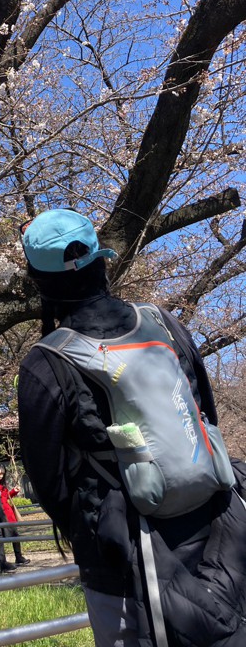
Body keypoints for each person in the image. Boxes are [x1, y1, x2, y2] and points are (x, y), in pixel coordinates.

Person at [17, 208, 246, 647]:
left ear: (40, 284)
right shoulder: (164, 323)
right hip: (218, 521)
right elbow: (205, 416)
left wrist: (94, 526)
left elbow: (49, 483)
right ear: (103, 263)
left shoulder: (46, 362)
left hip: (124, 554)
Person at [0, 463, 30, 565]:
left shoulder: (2, 485)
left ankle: (18, 557)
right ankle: (3, 561)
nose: (1, 476)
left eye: (3, 474)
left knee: (15, 536)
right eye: (0, 473)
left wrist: (14, 491)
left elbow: (6, 497)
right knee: (2, 539)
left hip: (9, 515)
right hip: (2, 516)